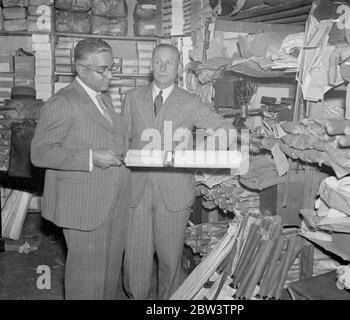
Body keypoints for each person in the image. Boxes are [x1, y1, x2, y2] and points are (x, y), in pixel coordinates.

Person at [122, 43, 234, 300]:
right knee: (135, 261)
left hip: (174, 193)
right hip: (136, 192)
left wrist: (199, 154)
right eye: (158, 61)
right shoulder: (132, 97)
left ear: (178, 68)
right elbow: (123, 141)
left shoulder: (190, 102)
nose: (162, 67)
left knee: (170, 261)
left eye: (169, 62)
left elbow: (225, 130)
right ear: (151, 65)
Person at [31, 38, 131, 300]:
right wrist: (89, 158)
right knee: (86, 282)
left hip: (113, 200)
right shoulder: (63, 102)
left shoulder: (102, 98)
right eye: (103, 70)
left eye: (112, 68)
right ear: (80, 69)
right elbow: (40, 153)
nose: (109, 75)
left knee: (109, 275)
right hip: (84, 205)